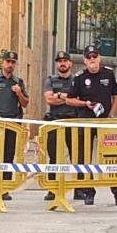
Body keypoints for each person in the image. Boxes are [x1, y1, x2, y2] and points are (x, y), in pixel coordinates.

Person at [70, 47, 117, 206]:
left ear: (99, 58)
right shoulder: (80, 77)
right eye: (89, 57)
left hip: (104, 122)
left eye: (95, 56)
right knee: (84, 158)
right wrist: (84, 103)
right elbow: (69, 99)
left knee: (112, 157)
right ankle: (88, 191)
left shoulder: (108, 73)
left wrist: (111, 115)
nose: (92, 59)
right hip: (86, 121)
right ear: (85, 60)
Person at [42, 50, 86, 202]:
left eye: (65, 61)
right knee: (53, 156)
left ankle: (79, 189)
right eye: (60, 61)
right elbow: (49, 100)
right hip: (55, 121)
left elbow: (80, 98)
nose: (62, 63)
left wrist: (59, 95)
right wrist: (68, 98)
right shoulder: (50, 80)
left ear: (70, 63)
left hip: (72, 121)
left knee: (77, 156)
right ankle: (52, 189)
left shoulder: (77, 80)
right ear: (56, 64)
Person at [0, 50, 28, 201]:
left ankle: (4, 188)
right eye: (7, 62)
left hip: (12, 123)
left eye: (12, 62)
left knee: (7, 156)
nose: (10, 65)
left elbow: (25, 103)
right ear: (2, 62)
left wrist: (19, 93)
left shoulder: (18, 82)